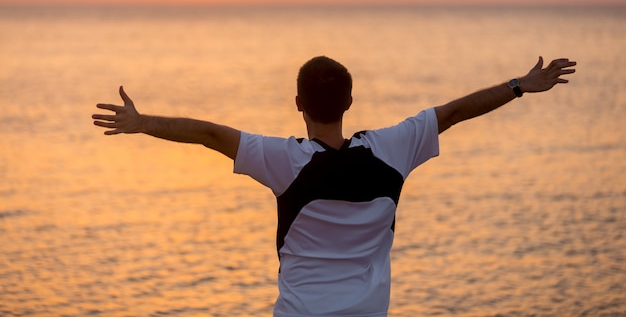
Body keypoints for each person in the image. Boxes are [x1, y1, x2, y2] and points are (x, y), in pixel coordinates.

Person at [92, 55, 576, 317]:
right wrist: (519, 85)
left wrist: (142, 122)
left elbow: (209, 134)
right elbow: (454, 111)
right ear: (350, 101)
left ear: (298, 102)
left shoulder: (284, 161)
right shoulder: (394, 148)